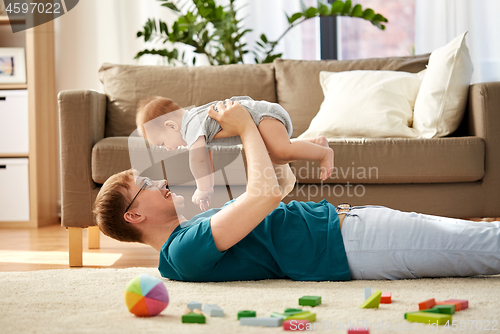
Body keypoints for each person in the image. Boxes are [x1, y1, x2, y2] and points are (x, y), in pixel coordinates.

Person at [93, 100, 500, 282]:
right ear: (134, 215)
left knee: (481, 240)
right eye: (145, 185)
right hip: (351, 245)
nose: (161, 180)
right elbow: (265, 195)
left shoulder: (196, 227)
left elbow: (277, 188)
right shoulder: (183, 250)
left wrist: (276, 149)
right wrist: (245, 125)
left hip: (349, 225)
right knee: (485, 246)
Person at [135, 96, 334, 211]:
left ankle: (323, 153)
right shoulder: (197, 125)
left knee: (282, 152)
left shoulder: (191, 125)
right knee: (274, 154)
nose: (168, 148)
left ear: (171, 126)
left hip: (262, 116)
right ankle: (315, 143)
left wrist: (201, 189)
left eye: (163, 143)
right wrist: (209, 187)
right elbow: (207, 159)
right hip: (261, 118)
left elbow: (197, 159)